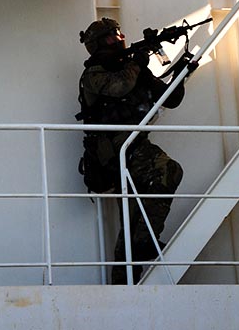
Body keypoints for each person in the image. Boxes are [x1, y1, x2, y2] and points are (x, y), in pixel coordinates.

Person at [77, 17, 196, 284]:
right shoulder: (94, 74)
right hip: (112, 150)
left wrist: (180, 73)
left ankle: (124, 283)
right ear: (97, 45)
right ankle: (144, 245)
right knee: (168, 169)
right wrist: (137, 63)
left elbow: (170, 99)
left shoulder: (130, 68)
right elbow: (120, 86)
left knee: (132, 219)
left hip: (132, 144)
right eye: (111, 37)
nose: (119, 39)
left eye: (119, 34)